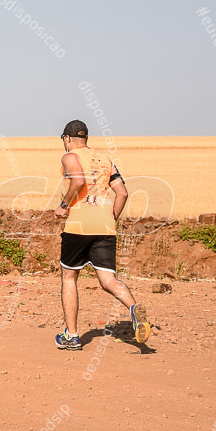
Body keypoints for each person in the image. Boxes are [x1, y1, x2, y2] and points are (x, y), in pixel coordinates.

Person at [54, 120, 150, 350]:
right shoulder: (106, 160)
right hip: (105, 227)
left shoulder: (69, 156)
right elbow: (123, 193)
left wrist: (63, 205)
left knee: (69, 277)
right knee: (108, 280)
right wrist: (111, 218)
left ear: (67, 139)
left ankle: (72, 336)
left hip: (78, 225)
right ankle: (133, 308)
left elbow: (78, 181)